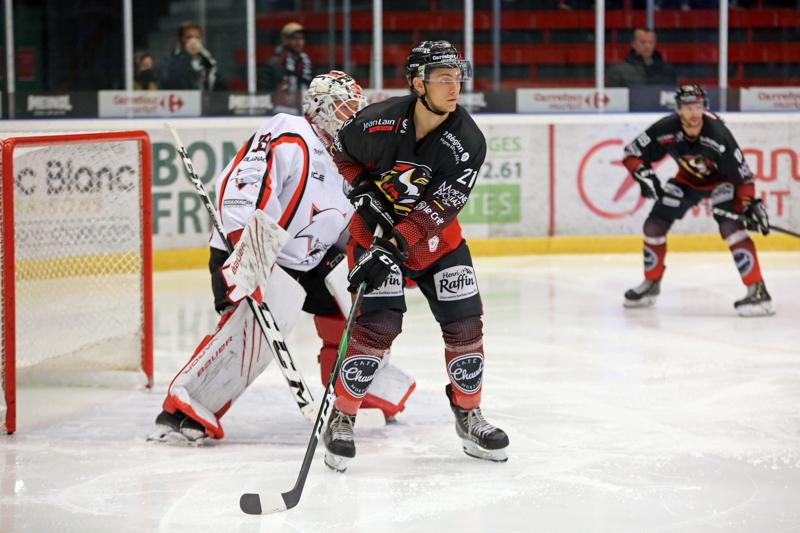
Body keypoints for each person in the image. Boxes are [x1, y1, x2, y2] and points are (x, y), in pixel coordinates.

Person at [148, 71, 416, 445]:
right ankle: (184, 409)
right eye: (345, 107)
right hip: (254, 249)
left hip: (311, 259)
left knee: (360, 301)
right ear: (320, 108)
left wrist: (382, 257)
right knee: (252, 331)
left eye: (357, 108)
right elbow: (242, 185)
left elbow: (350, 224)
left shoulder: (351, 160)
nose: (353, 116)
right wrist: (250, 254)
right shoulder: (290, 133)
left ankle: (360, 387)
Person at [323, 40, 510, 472]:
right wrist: (362, 189)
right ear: (417, 83)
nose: (454, 87)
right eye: (443, 78)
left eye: (457, 77)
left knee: (465, 323)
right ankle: (343, 415)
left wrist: (389, 248)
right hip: (372, 235)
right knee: (378, 325)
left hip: (437, 243)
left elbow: (436, 211)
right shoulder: (377, 122)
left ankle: (468, 414)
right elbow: (341, 152)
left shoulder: (468, 141)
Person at [622, 84, 774, 317]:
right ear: (679, 109)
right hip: (688, 181)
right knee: (653, 225)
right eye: (688, 107)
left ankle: (758, 291)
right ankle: (651, 284)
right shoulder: (665, 128)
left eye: (699, 106)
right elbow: (631, 153)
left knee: (731, 227)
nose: (694, 113)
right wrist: (642, 173)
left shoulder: (718, 134)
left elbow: (743, 176)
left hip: (722, 182)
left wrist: (747, 204)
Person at [257, 22, 313, 111]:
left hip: (303, 111)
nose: (299, 42)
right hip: (280, 111)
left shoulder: (306, 63)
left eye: (302, 38)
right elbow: (265, 93)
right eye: (295, 38)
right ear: (285, 40)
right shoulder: (275, 63)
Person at [160, 22, 225, 91]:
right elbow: (167, 81)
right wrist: (187, 55)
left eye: (197, 37)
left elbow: (220, 86)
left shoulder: (206, 60)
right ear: (180, 40)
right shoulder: (169, 61)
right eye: (189, 37)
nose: (193, 41)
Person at [607, 28, 677, 88]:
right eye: (643, 42)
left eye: (651, 42)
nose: (647, 46)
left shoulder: (667, 71)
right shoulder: (618, 71)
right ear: (633, 44)